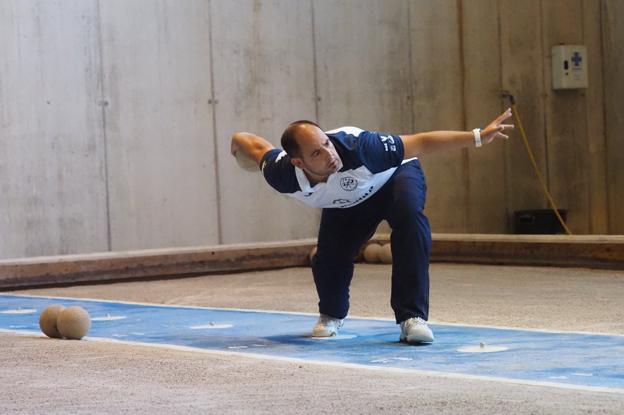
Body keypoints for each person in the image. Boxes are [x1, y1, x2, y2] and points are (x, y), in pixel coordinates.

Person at [230, 109, 514, 344]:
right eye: (317, 153)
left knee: (410, 219)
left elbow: (423, 142)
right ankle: (331, 315)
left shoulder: (362, 147)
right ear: (297, 162)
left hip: (393, 178)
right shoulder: (282, 175)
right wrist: (235, 141)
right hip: (345, 202)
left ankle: (411, 318)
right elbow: (255, 146)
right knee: (329, 255)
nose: (330, 154)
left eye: (327, 143)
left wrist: (478, 136)